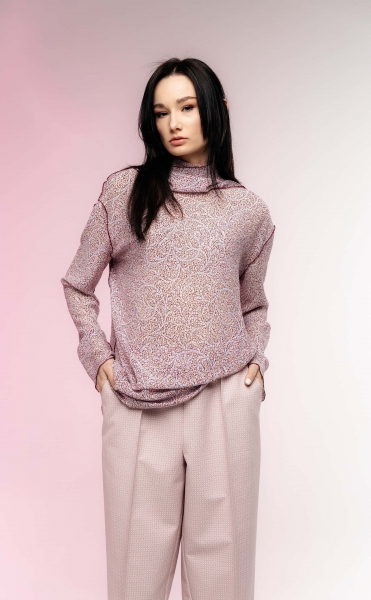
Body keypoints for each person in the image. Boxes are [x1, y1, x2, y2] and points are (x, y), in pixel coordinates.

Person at [61, 57, 276, 600]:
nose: (174, 123)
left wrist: (255, 366)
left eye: (186, 107)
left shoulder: (248, 211)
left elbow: (253, 305)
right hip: (136, 400)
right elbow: (77, 285)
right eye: (161, 112)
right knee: (135, 576)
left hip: (224, 400)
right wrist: (100, 362)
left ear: (216, 110)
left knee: (224, 577)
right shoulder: (125, 193)